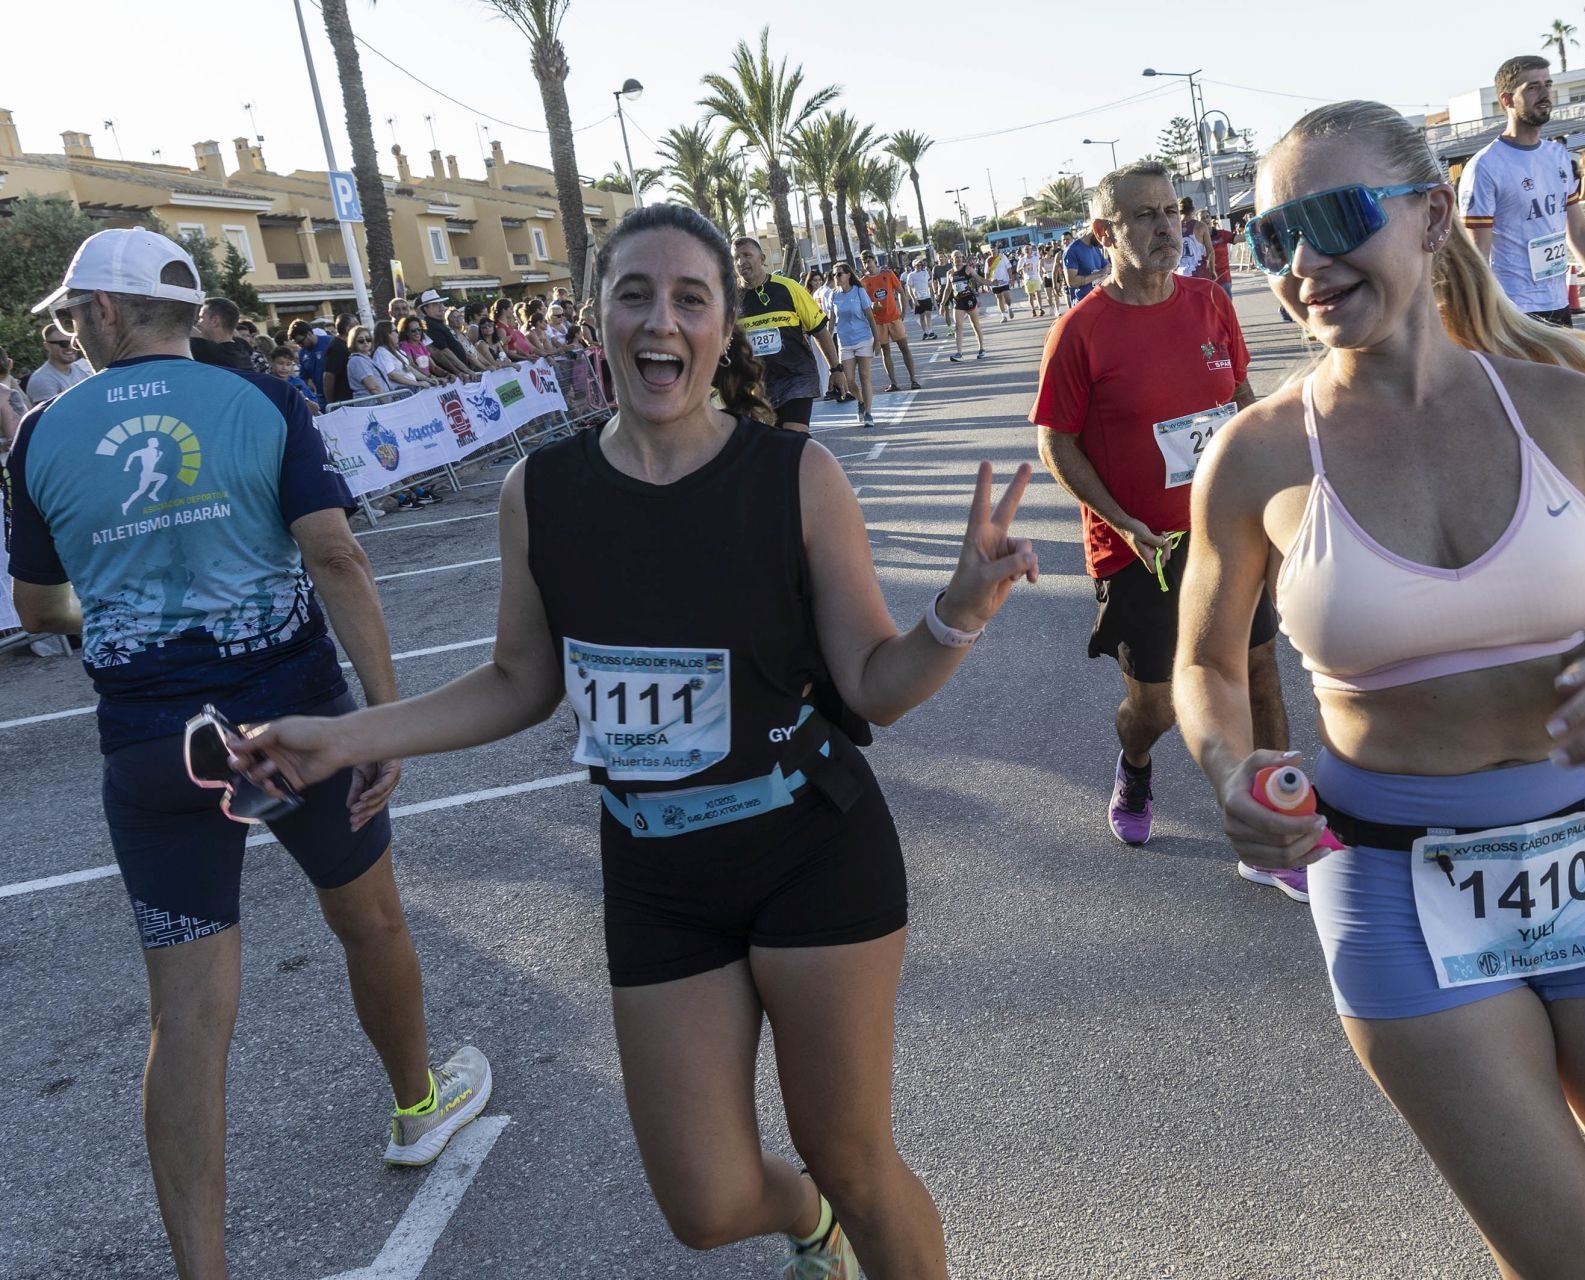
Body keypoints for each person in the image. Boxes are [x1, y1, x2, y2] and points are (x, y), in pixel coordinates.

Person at [226, 202, 1039, 1280]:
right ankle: (806, 1220)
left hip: (809, 848)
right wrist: (346, 735)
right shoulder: (541, 490)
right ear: (598, 318)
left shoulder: (792, 477)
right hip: (654, 871)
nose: (664, 319)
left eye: (691, 298)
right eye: (635, 294)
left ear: (722, 328)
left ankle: (842, 1208)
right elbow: (521, 678)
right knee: (704, 1204)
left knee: (854, 1152)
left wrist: (958, 613)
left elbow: (874, 686)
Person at [1180, 99, 1585, 1277]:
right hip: (1392, 890)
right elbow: (1205, 660)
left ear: (1428, 217)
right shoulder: (1257, 451)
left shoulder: (1561, 410)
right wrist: (1227, 763)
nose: (1304, 262)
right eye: (1272, 239)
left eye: (1334, 218)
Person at [7, 227, 489, 1279]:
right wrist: (386, 715)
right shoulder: (265, 400)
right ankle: (416, 1104)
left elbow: (43, 606)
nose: (68, 328)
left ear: (104, 315)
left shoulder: (40, 432)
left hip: (153, 747)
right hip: (296, 727)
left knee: (184, 1016)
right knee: (370, 919)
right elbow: (336, 555)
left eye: (72, 311)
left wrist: (129, 594)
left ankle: (205, 1272)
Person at [1029, 161, 1298, 896]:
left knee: (1262, 668)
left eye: (1172, 211)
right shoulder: (1081, 331)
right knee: (1157, 705)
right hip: (1138, 548)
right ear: (1103, 233)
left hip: (1224, 529)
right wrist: (1120, 518)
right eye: (1143, 216)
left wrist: (1271, 490)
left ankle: (1273, 830)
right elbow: (1056, 440)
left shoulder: (1210, 301)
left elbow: (1239, 402)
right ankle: (1136, 766)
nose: (1165, 226)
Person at [1460, 56, 1585, 332]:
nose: (1544, 94)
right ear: (1506, 100)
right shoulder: (1486, 166)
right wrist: (1473, 314)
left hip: (1557, 302)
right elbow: (1475, 251)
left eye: (1547, 85)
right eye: (1532, 87)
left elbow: (1577, 230)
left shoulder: (1558, 156)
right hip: (1512, 309)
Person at [735, 236, 841, 433]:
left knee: (794, 436)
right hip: (756, 385)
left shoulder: (789, 287)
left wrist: (836, 369)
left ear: (762, 258)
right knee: (773, 445)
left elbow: (819, 330)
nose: (741, 262)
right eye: (736, 258)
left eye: (747, 255)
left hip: (796, 377)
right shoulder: (730, 299)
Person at [859, 248, 922, 392]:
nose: (867, 265)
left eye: (868, 261)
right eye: (864, 263)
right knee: (885, 351)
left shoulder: (887, 273)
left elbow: (900, 291)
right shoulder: (863, 281)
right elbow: (864, 304)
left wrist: (903, 310)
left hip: (893, 317)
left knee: (904, 347)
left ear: (874, 260)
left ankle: (913, 379)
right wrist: (872, 307)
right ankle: (893, 383)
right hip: (878, 321)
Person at [827, 261, 879, 427]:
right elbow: (831, 322)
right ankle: (861, 401)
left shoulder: (859, 291)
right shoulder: (833, 295)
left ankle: (869, 413)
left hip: (863, 339)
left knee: (864, 376)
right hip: (845, 343)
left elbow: (870, 317)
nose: (837, 277)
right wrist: (828, 343)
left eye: (840, 274)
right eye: (834, 275)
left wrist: (877, 341)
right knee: (848, 380)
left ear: (848, 275)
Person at [26, 322, 95, 402]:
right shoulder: (42, 379)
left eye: (73, 343)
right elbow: (52, 413)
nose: (70, 347)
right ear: (47, 346)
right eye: (63, 343)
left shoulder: (80, 370)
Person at [942, 248, 988, 362]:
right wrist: (942, 304)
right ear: (951, 259)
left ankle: (982, 349)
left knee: (975, 325)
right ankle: (959, 353)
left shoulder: (967, 269)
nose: (958, 259)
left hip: (969, 300)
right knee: (958, 327)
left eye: (960, 257)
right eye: (956, 257)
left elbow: (979, 279)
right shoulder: (950, 273)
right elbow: (948, 289)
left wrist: (991, 283)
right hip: (958, 302)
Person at [189, 297, 256, 372]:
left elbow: (182, 328)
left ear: (215, 321)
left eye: (201, 318)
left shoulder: (209, 351)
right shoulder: (242, 348)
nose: (198, 323)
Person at [271, 344, 325, 413]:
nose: (284, 368)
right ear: (272, 362)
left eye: (288, 364)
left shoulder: (297, 382)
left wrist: (303, 398)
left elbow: (316, 408)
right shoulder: (266, 383)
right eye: (280, 363)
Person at [1063, 223, 1109, 304]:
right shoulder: (1072, 250)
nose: (1103, 241)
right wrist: (1100, 273)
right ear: (1094, 229)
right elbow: (1072, 282)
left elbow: (1107, 267)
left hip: (1099, 300)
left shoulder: (1096, 248)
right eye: (1102, 236)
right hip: (1083, 304)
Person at [287, 321, 332, 403]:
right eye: (297, 343)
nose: (300, 345)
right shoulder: (302, 353)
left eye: (301, 341)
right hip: (320, 396)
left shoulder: (330, 342)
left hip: (338, 393)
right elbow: (304, 377)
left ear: (309, 334)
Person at [342, 326, 391, 398]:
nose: (365, 342)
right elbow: (374, 387)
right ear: (353, 342)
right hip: (373, 405)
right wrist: (388, 404)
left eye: (368, 339)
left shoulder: (365, 358)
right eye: (361, 341)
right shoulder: (358, 360)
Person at [903, 255, 940, 340]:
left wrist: (933, 293)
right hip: (918, 298)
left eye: (920, 265)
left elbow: (929, 283)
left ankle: (930, 331)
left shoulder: (925, 273)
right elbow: (909, 287)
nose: (919, 267)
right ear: (914, 266)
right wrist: (913, 299)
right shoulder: (911, 275)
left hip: (926, 297)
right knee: (922, 316)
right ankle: (925, 332)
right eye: (917, 265)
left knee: (928, 314)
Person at [986, 244, 1016, 322]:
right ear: (990, 250)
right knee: (999, 298)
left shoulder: (1002, 257)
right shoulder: (988, 260)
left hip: (1005, 281)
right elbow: (986, 272)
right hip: (994, 283)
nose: (993, 250)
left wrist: (1010, 278)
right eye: (991, 249)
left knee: (1008, 298)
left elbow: (1009, 268)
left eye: (994, 248)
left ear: (997, 249)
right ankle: (1004, 316)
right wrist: (987, 283)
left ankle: (1009, 307)